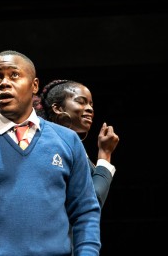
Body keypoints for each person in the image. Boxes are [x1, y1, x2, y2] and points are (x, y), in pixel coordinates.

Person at [0, 50, 101, 255]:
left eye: (14, 75)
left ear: (34, 85)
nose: (3, 83)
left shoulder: (67, 141)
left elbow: (85, 212)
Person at [33, 79, 119, 208]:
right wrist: (105, 154)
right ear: (57, 108)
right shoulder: (50, 146)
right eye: (81, 102)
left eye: (91, 104)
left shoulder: (69, 145)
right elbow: (89, 202)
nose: (89, 109)